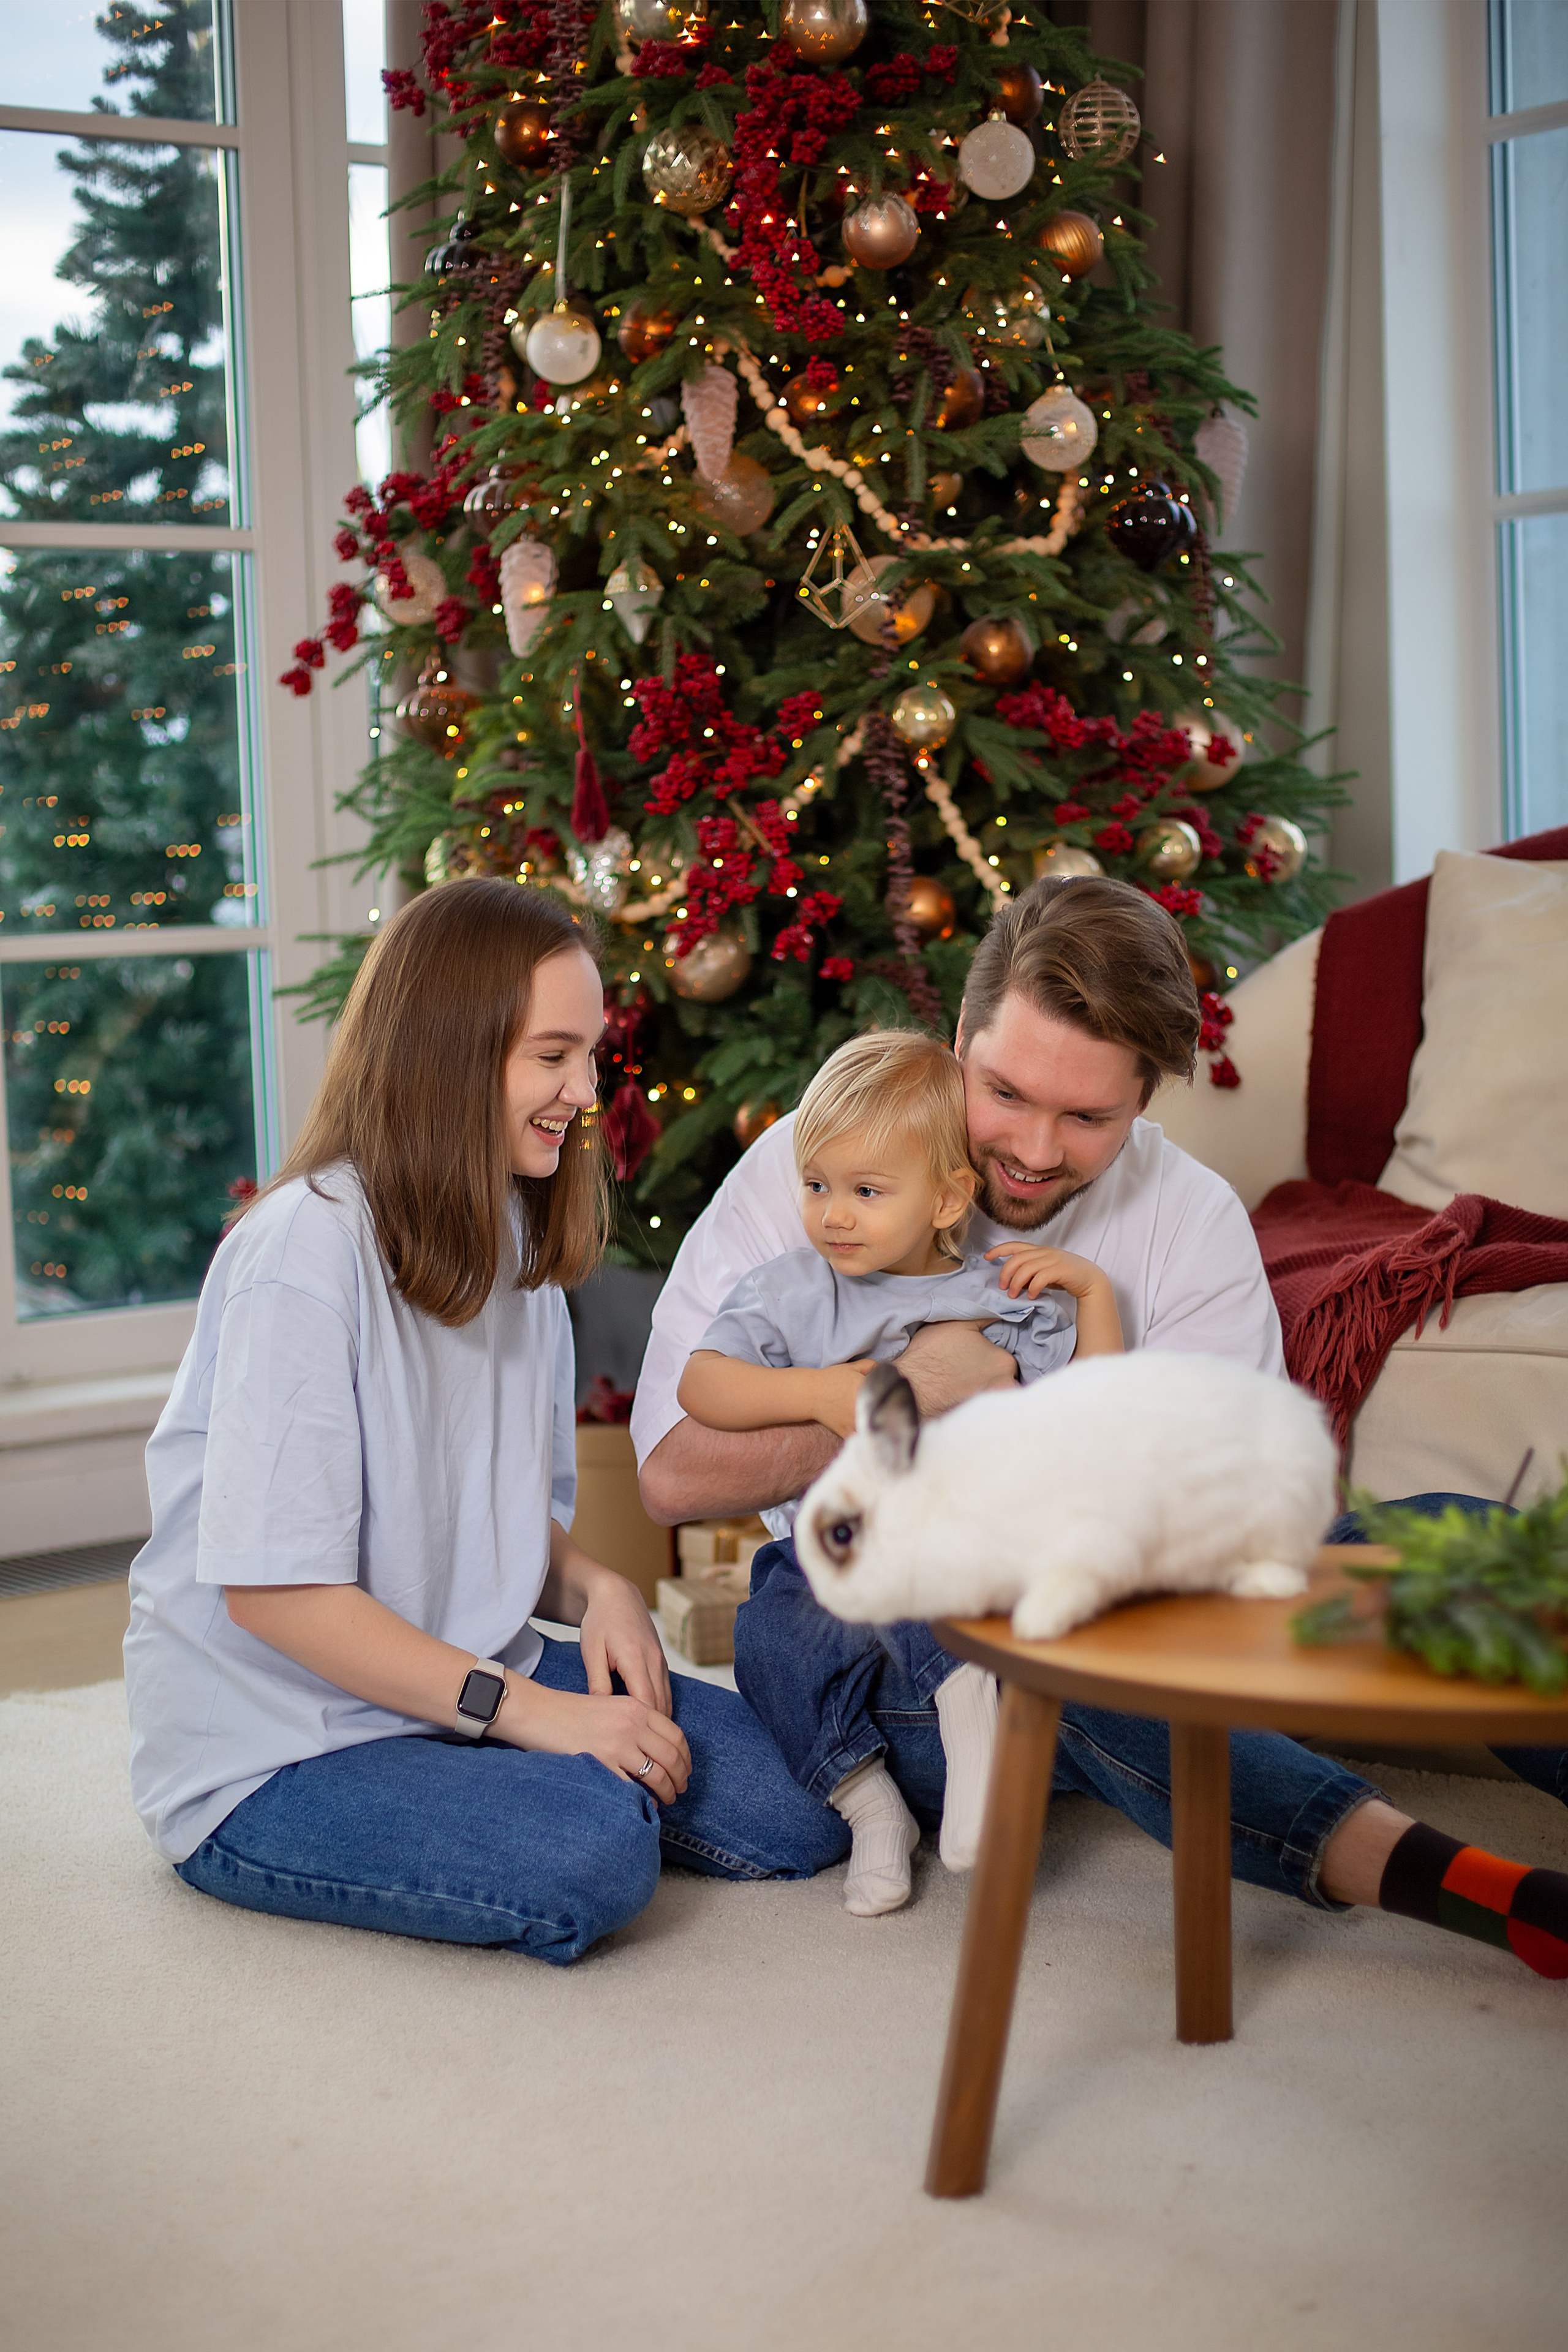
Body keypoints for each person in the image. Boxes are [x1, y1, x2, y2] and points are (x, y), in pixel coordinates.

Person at [635, 877, 1568, 1980]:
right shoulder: (830, 1168)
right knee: (1063, 1658)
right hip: (910, 1649)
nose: (1033, 1150)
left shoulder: (1190, 1219)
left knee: (1446, 1539)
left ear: (1148, 1098)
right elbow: (670, 1475)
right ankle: (1478, 1893)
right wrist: (910, 1389)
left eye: (1088, 1119)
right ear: (960, 1037)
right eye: (1007, 1094)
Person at [124, 880, 846, 1966]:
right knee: (595, 1852)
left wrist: (602, 1592)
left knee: (800, 1807)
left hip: (459, 1680)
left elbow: (481, 1510)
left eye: (591, 1055)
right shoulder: (303, 1256)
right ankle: (488, 1782)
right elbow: (275, 1592)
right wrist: (531, 1714)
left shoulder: (517, 1250)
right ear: (449, 1052)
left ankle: (490, 1766)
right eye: (552, 1056)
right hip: (278, 1747)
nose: (584, 1091)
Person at [678, 1028, 1122, 1917]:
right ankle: (871, 1806)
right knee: (766, 1630)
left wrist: (1096, 1296)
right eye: (816, 1186)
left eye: (867, 1191)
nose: (833, 1214)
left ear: (950, 1199)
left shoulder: (997, 1293)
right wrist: (822, 1392)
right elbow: (703, 1385)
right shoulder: (792, 1290)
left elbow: (1100, 1414)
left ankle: (972, 1723)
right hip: (829, 1553)